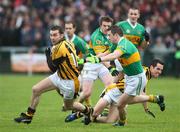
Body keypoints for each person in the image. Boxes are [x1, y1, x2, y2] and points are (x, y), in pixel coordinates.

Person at [85, 25, 165, 126]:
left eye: (109, 35)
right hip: (128, 78)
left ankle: (122, 122)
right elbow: (106, 53)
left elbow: (114, 55)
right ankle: (154, 99)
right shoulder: (116, 44)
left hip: (137, 78)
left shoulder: (124, 44)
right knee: (123, 103)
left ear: (116, 35)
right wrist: (87, 59)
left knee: (120, 104)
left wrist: (98, 60)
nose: (108, 37)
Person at [14, 25, 91, 124]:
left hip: (70, 82)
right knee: (36, 89)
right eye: (51, 35)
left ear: (61, 35)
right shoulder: (67, 43)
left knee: (68, 106)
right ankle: (29, 116)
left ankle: (88, 111)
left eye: (55, 35)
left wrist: (47, 54)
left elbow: (52, 68)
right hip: (60, 75)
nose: (52, 37)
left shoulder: (60, 48)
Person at [91, 59, 164, 123]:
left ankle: (94, 119)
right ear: (151, 67)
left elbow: (143, 92)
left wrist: (146, 109)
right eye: (158, 69)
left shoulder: (146, 75)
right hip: (113, 91)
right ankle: (82, 112)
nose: (160, 72)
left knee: (110, 120)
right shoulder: (143, 72)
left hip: (122, 96)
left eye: (161, 70)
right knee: (94, 113)